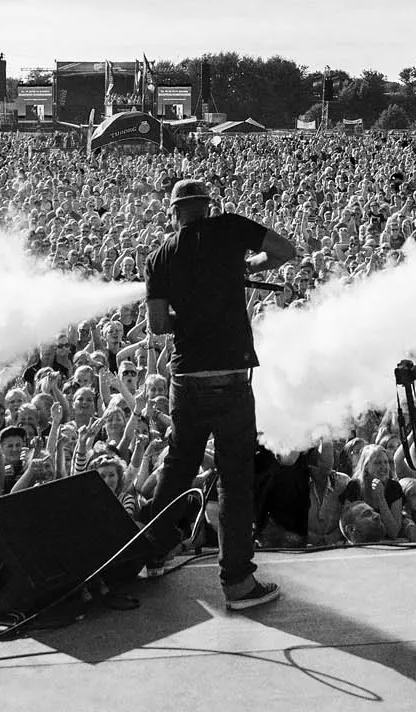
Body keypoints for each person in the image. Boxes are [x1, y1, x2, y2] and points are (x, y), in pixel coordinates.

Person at [142, 178, 296, 612]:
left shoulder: (159, 257)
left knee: (178, 468)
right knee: (234, 478)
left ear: (175, 213)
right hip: (230, 377)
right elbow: (285, 251)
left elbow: (157, 324)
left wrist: (192, 319)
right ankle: (237, 582)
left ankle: (152, 555)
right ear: (208, 207)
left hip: (186, 379)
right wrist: (250, 267)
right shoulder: (230, 227)